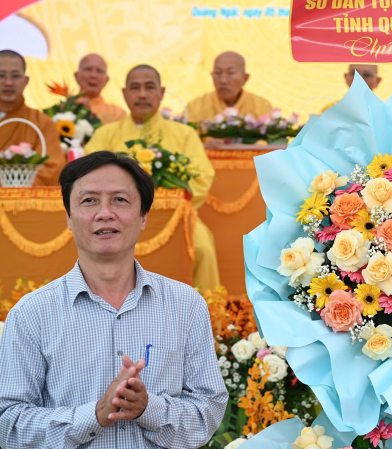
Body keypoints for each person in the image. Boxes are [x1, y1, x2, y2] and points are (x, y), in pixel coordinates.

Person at [0, 151, 227, 448]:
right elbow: (8, 424)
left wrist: (148, 409)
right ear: (68, 217)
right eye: (89, 200)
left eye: (120, 199)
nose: (105, 213)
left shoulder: (186, 305)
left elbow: (209, 410)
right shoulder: (32, 313)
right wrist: (94, 415)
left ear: (143, 216)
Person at [84, 65, 220, 289]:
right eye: (135, 88)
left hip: (176, 217)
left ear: (162, 92)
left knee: (202, 247)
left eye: (149, 87)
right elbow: (88, 180)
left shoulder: (184, 134)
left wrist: (163, 203)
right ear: (124, 93)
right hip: (114, 218)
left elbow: (202, 178)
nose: (142, 94)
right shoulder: (104, 135)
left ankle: (206, 307)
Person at [0, 49, 66, 185]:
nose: (8, 82)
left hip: (25, 197)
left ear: (26, 81)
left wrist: (11, 184)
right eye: (1, 75)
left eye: (15, 76)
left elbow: (53, 169)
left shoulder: (41, 122)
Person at [185, 51, 272, 123]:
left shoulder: (261, 106)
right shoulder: (195, 107)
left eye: (230, 73)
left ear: (245, 78)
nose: (223, 80)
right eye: (218, 72)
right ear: (212, 75)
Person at [75, 53, 127, 124]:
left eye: (99, 71)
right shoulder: (63, 109)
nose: (93, 75)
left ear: (106, 80)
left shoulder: (118, 114)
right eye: (88, 69)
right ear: (76, 76)